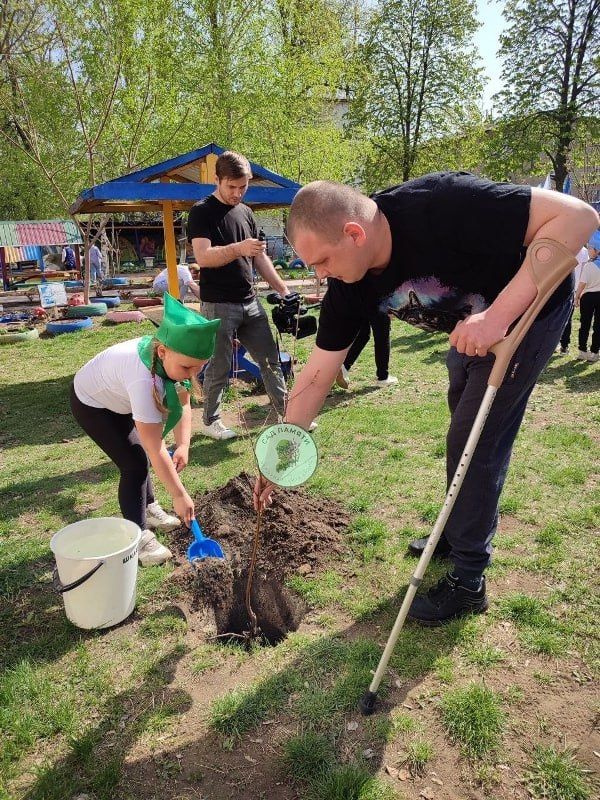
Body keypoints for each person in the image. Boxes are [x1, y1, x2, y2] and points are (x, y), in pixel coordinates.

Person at [254, 172, 598, 625]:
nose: (319, 275)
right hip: (471, 330)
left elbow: (579, 217)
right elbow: (317, 376)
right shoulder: (349, 286)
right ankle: (456, 530)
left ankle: (469, 580)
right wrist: (281, 456)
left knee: (476, 441)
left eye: (322, 261)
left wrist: (497, 316)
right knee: (462, 424)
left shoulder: (442, 204)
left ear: (354, 234)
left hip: (528, 315)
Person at [71, 294, 220, 566]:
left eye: (198, 368)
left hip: (119, 397)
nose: (191, 374)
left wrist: (184, 444)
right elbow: (155, 447)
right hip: (92, 403)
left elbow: (183, 402)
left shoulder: (174, 362)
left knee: (140, 455)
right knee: (135, 464)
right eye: (187, 367)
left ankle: (149, 508)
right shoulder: (142, 378)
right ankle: (138, 537)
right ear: (162, 352)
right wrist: (178, 495)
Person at [187, 150, 293, 440]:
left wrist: (284, 290)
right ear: (217, 180)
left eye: (243, 187)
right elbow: (203, 257)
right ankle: (211, 421)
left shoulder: (246, 212)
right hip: (218, 304)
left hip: (250, 301)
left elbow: (259, 257)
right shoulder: (201, 211)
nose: (237, 193)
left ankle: (288, 415)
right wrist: (238, 248)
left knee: (270, 360)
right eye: (231, 186)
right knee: (220, 365)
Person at [336, 307, 398, 388]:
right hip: (378, 302)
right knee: (382, 334)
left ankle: (344, 367)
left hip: (359, 302)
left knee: (363, 334)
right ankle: (383, 377)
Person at [557, 245, 589, 353]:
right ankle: (564, 345)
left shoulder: (566, 246)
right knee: (567, 317)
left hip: (563, 287)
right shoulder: (585, 252)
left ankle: (561, 344)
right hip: (573, 288)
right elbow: (584, 273)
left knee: (558, 316)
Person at [575, 239, 600, 362]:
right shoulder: (590, 264)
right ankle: (595, 353)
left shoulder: (589, 265)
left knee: (584, 324)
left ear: (597, 251)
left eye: (590, 248)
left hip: (588, 297)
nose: (588, 250)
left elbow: (582, 284)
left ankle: (582, 351)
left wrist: (577, 297)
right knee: (598, 326)